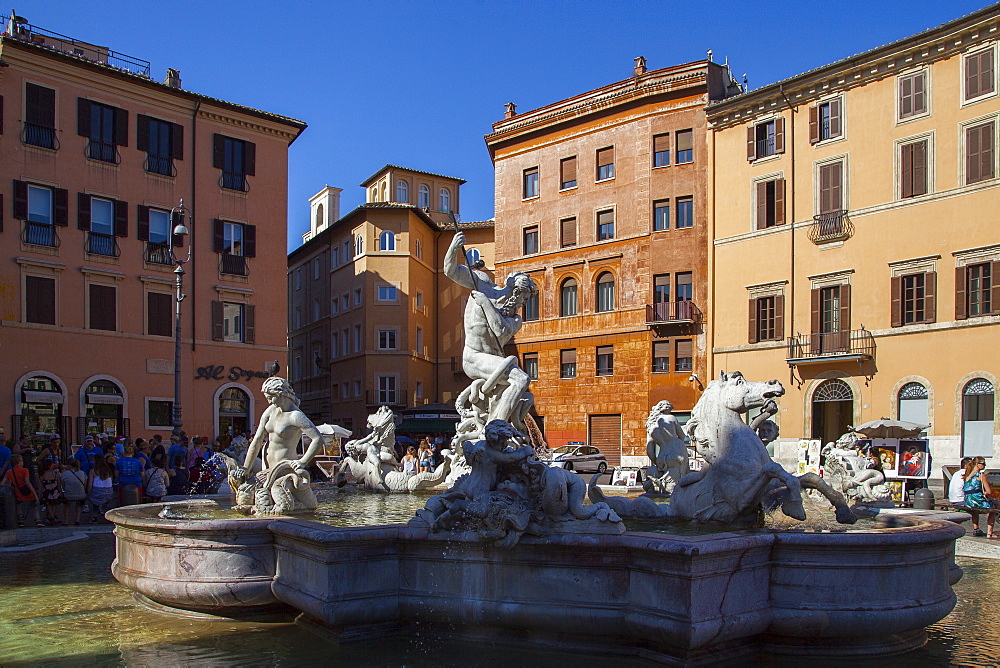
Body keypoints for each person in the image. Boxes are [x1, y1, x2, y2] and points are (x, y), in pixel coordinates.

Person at [444, 230, 538, 427]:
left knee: (520, 384)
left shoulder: (514, 318)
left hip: (495, 361)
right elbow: (450, 271)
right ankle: (496, 430)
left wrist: (486, 304)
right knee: (521, 379)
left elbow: (500, 331)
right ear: (515, 292)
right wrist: (454, 247)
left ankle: (500, 427)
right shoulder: (482, 283)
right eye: (523, 297)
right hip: (474, 356)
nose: (523, 303)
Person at [2, 454, 43, 527]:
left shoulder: (10, 472)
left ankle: (21, 521)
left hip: (18, 493)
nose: (23, 462)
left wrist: (11, 487)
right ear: (19, 461)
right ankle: (37, 520)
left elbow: (2, 483)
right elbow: (27, 482)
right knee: (35, 505)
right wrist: (35, 494)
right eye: (22, 460)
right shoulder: (25, 470)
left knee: (19, 506)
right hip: (28, 492)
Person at [963, 456, 997, 539]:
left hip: (968, 501)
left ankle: (976, 528)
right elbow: (989, 491)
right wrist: (984, 493)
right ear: (977, 464)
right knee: (994, 508)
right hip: (977, 501)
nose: (984, 465)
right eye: (983, 463)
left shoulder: (967, 475)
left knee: (975, 510)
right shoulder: (981, 475)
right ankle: (990, 534)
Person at [88, 455, 115, 522]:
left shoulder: (93, 471)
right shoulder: (109, 470)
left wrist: (88, 492)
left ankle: (94, 517)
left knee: (94, 501)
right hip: (108, 490)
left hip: (97, 490)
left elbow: (90, 484)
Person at [61, 459, 88, 525]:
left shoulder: (65, 474)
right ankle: (77, 519)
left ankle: (66, 520)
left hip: (69, 494)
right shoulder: (82, 473)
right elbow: (85, 484)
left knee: (67, 504)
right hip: (80, 494)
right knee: (79, 504)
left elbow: (62, 485)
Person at [38, 460, 64, 525]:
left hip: (46, 491)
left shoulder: (42, 475)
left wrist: (40, 494)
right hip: (54, 491)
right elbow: (59, 485)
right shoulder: (55, 474)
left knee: (48, 504)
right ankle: (53, 516)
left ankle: (51, 517)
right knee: (54, 504)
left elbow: (40, 486)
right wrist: (60, 492)